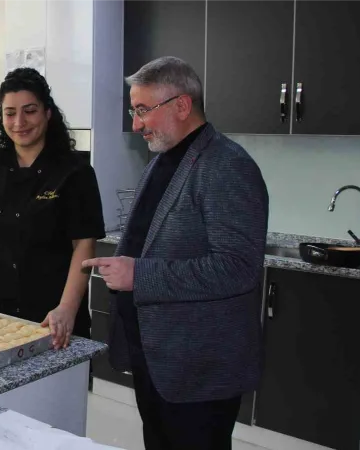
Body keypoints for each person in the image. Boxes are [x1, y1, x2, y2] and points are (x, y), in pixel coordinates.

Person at [83, 56, 269, 449]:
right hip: (158, 358)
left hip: (198, 372)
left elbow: (238, 268)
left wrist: (139, 276)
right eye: (134, 111)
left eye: (142, 110)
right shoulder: (164, 161)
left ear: (182, 106)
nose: (135, 124)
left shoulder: (227, 166)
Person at [0, 68, 105, 348]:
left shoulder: (75, 171)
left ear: (47, 113)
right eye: (10, 112)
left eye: (30, 110)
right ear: (1, 116)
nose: (19, 122)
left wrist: (66, 309)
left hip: (51, 315)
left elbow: (84, 246)